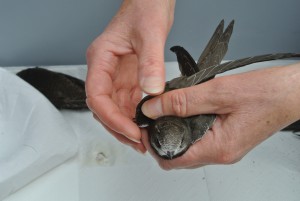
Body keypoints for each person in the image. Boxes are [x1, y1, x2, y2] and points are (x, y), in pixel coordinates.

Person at [85, 0, 300, 170]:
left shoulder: (161, 122)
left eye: (174, 147)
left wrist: (290, 94)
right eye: (168, 147)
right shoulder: (183, 127)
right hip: (194, 83)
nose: (169, 153)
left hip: (192, 83)